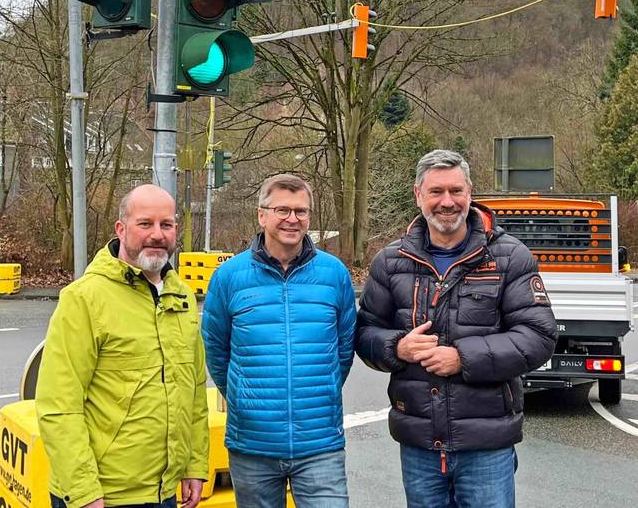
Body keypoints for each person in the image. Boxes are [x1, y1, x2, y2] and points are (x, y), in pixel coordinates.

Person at [356, 149, 557, 508]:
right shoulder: (390, 261)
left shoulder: (509, 257)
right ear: (418, 195)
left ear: (470, 193)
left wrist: (462, 357)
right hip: (419, 444)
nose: (446, 202)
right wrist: (397, 347)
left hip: (486, 445)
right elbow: (365, 333)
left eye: (456, 191)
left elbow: (538, 337)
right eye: (436, 192)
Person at [37, 184, 209, 508]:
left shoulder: (182, 296)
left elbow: (194, 391)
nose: (157, 234)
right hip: (102, 496)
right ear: (121, 228)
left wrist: (194, 465)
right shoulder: (84, 299)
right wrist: (84, 492)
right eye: (145, 224)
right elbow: (58, 405)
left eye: (166, 224)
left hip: (164, 492)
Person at [202, 174, 357, 508]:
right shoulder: (229, 277)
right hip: (253, 445)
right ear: (262, 215)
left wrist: (321, 390)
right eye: (282, 210)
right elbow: (217, 349)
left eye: (301, 211)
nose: (292, 219)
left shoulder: (334, 274)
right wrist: (245, 398)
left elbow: (343, 350)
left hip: (320, 443)